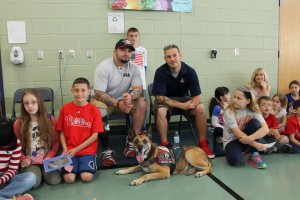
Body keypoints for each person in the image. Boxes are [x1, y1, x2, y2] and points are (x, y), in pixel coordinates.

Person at [152, 44, 215, 158]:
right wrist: (182, 106)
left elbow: (197, 96)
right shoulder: (160, 72)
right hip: (166, 100)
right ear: (165, 59)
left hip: (184, 98)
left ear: (180, 55)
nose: (172, 59)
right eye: (168, 56)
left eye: (175, 55)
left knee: (200, 107)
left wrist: (191, 104)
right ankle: (165, 144)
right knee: (161, 111)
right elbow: (160, 97)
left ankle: (203, 143)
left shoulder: (190, 71)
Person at [91, 39, 147, 166]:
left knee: (142, 103)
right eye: (123, 50)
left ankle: (132, 140)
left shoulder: (134, 68)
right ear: (115, 51)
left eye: (129, 51)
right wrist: (117, 103)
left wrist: (130, 96)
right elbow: (98, 93)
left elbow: (138, 89)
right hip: (105, 101)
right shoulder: (104, 67)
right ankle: (106, 149)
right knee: (100, 111)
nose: (126, 53)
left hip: (123, 101)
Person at [57, 77, 103, 183]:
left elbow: (94, 136)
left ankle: (82, 167)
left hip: (87, 150)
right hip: (69, 150)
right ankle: (74, 167)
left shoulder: (94, 110)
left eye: (83, 90)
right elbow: (61, 131)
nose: (80, 94)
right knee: (69, 179)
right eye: (76, 90)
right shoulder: (65, 109)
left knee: (86, 177)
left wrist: (76, 150)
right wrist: (64, 149)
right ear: (72, 91)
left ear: (88, 92)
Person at [13, 89, 61, 188]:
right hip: (30, 159)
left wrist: (50, 156)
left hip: (47, 158)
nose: (30, 106)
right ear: (23, 105)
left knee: (55, 180)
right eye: (26, 103)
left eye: (33, 102)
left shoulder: (50, 120)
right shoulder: (19, 123)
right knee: (34, 183)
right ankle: (36, 171)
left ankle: (43, 171)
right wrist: (23, 158)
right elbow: (16, 146)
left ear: (39, 102)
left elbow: (56, 142)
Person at [223, 86, 268, 169]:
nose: (234, 100)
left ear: (247, 101)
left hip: (247, 139)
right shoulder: (229, 111)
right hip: (232, 141)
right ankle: (242, 150)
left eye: (239, 98)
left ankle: (253, 154)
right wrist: (256, 144)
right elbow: (238, 133)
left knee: (255, 123)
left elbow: (265, 129)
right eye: (234, 97)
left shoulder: (253, 110)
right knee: (234, 161)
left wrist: (249, 139)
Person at [0, 119, 36, 200]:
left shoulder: (16, 143)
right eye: (4, 146)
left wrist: (1, 180)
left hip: (6, 177)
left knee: (31, 177)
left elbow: (12, 169)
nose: (6, 147)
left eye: (8, 145)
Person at [127, 27, 148, 131]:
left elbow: (144, 68)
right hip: (129, 86)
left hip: (141, 85)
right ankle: (132, 133)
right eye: (131, 36)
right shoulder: (126, 51)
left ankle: (143, 130)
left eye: (135, 36)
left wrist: (142, 81)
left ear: (138, 37)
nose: (133, 38)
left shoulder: (143, 50)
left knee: (142, 108)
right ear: (127, 37)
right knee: (132, 109)